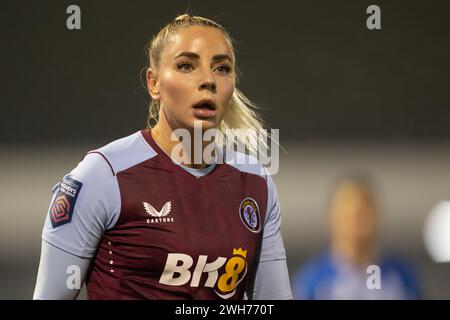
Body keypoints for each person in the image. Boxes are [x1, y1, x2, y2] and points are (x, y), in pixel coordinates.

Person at [33, 14, 293, 300]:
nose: (208, 80)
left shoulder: (255, 183)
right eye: (186, 65)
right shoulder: (103, 176)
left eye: (222, 68)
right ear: (153, 83)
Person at [292, 174, 422, 300]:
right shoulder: (313, 281)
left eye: (363, 212)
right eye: (348, 214)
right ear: (332, 217)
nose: (356, 224)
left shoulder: (401, 278)